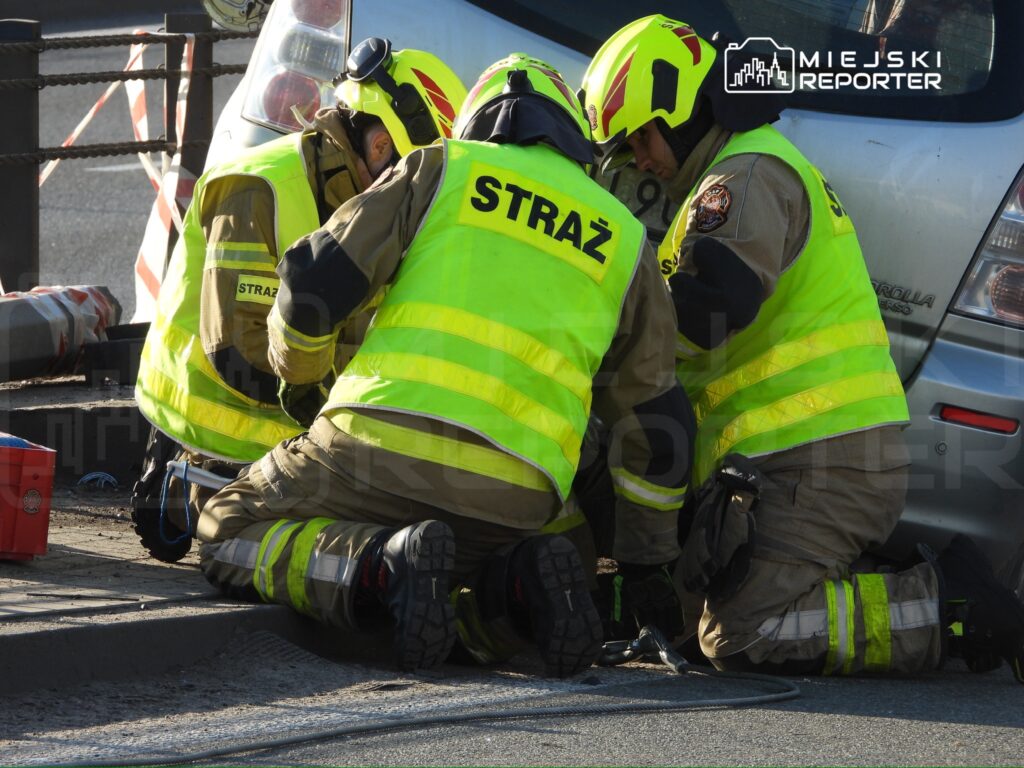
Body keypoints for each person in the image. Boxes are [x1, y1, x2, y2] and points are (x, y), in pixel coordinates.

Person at [195, 52, 695, 676]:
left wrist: (299, 373)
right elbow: (658, 422)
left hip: (375, 450)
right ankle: (517, 589)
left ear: (477, 123)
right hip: (519, 493)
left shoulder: (442, 167)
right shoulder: (624, 238)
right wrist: (647, 563)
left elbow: (311, 283)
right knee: (457, 572)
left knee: (225, 524)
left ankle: (377, 567)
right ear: (573, 136)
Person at [580, 14, 1024, 680]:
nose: (641, 160)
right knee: (689, 619)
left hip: (818, 460)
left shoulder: (746, 175)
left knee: (741, 634)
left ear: (680, 109)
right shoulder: (736, 173)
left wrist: (599, 328)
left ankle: (949, 608)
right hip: (794, 461)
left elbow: (711, 310)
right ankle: (859, 581)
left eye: (642, 137)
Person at [131, 38, 466, 563]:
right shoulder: (261, 187)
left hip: (303, 434)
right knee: (324, 542)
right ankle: (183, 490)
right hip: (219, 429)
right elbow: (237, 352)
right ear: (381, 148)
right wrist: (344, 412)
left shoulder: (367, 208)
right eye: (410, 182)